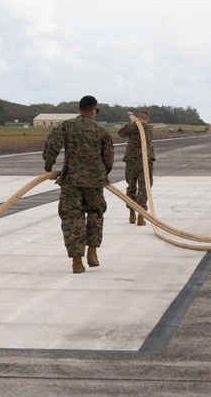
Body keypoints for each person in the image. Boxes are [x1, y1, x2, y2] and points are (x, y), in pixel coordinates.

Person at [42, 95, 114, 274]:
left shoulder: (66, 126)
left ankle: (77, 262)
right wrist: (102, 173)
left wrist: (48, 166)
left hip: (71, 182)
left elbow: (52, 147)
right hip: (95, 182)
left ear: (80, 108)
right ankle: (92, 252)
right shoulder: (101, 130)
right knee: (95, 214)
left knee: (72, 218)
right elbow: (109, 157)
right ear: (92, 109)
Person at [117, 110, 155, 226]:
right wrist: (133, 121)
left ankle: (132, 213)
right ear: (147, 119)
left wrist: (132, 122)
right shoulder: (149, 128)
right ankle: (140, 216)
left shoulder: (136, 127)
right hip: (145, 163)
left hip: (133, 162)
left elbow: (121, 133)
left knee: (131, 187)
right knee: (143, 189)